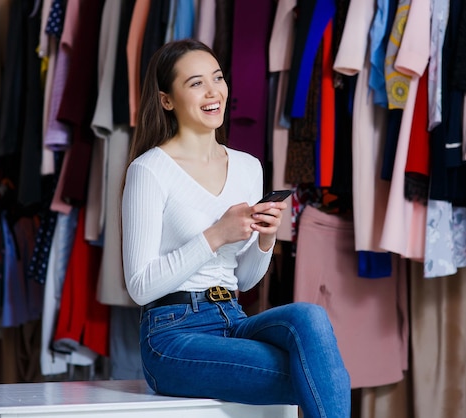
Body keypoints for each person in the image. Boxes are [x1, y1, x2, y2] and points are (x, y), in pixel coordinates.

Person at [121, 39, 351, 418]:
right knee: (323, 373)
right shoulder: (149, 170)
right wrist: (216, 235)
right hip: (172, 336)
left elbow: (244, 281)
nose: (214, 92)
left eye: (218, 78)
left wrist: (266, 237)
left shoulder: (248, 167)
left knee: (310, 318)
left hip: (232, 317)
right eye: (196, 83)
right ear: (166, 100)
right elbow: (140, 285)